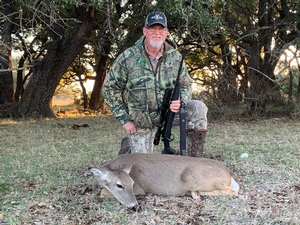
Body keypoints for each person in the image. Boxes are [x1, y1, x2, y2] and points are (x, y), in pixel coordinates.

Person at [102, 11, 208, 157]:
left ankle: (195, 159)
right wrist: (124, 120)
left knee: (197, 107)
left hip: (170, 115)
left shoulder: (176, 58)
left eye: (160, 29)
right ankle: (128, 147)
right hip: (142, 122)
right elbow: (109, 89)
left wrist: (181, 101)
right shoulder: (127, 57)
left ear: (166, 33)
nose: (156, 33)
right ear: (145, 31)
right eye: (152, 28)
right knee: (141, 167)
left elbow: (185, 85)